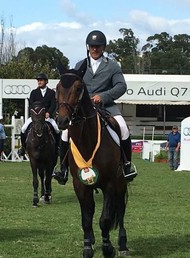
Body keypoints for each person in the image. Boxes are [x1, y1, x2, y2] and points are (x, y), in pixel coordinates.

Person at [53, 30, 137, 185]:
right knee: (65, 133)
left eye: (98, 46)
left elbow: (121, 86)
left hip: (106, 106)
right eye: (92, 46)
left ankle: (126, 166)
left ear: (103, 47)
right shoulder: (80, 65)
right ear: (88, 47)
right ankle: (63, 168)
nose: (95, 49)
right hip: (82, 109)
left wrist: (103, 96)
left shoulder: (112, 66)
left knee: (124, 128)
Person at [17, 73, 60, 159]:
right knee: (23, 128)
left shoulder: (51, 93)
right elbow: (31, 105)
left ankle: (57, 147)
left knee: (57, 129)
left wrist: (49, 113)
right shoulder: (34, 92)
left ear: (46, 81)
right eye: (38, 80)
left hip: (47, 117)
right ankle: (23, 147)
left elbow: (53, 104)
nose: (39, 82)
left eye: (41, 80)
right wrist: (35, 115)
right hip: (36, 117)